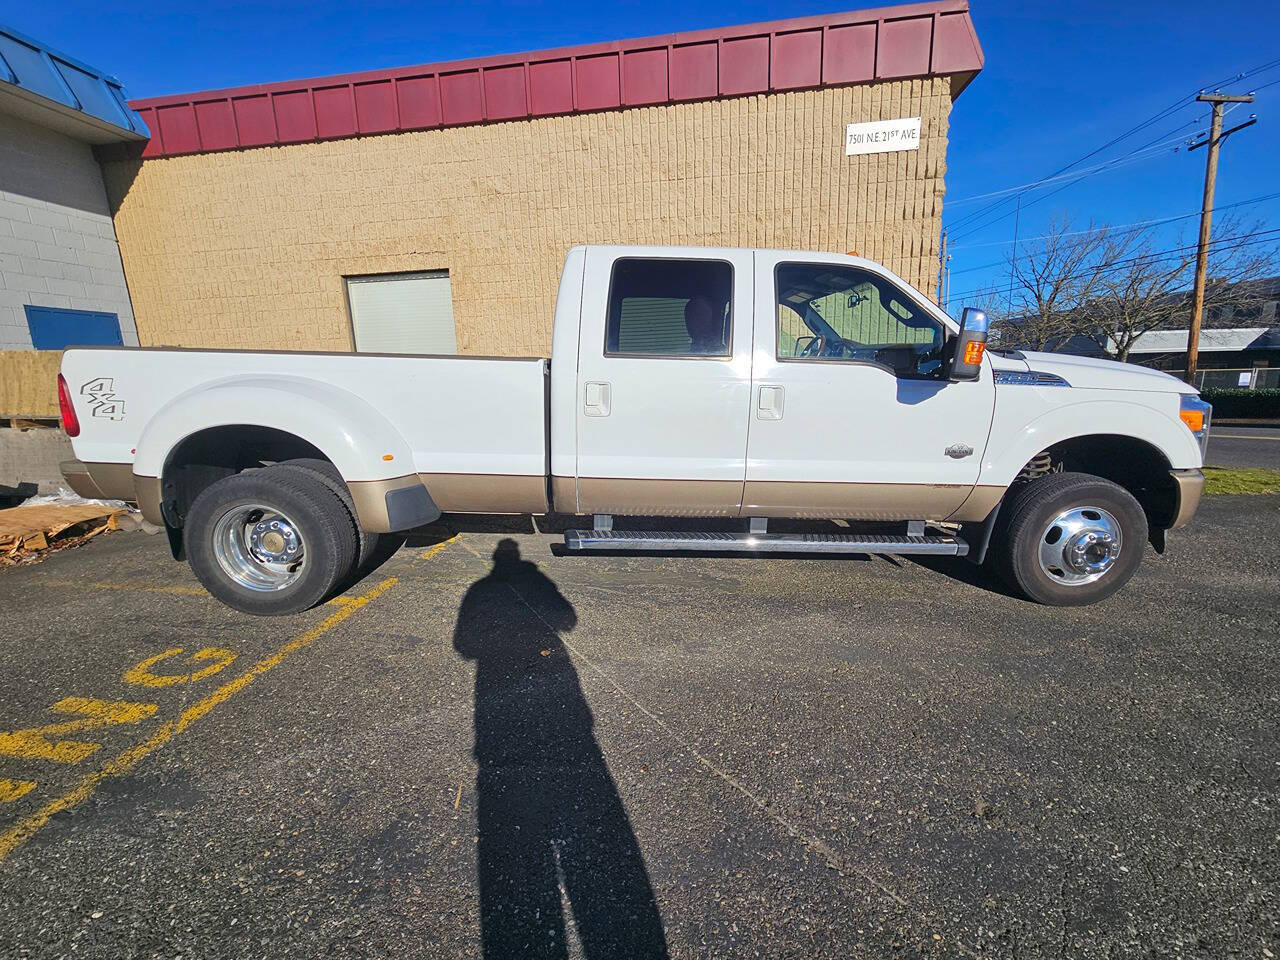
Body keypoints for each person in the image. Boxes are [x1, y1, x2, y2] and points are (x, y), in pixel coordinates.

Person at [453, 539, 668, 959]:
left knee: (509, 839)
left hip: (496, 719)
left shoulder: (478, 591)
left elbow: (464, 646)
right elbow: (567, 619)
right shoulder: (536, 579)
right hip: (565, 710)